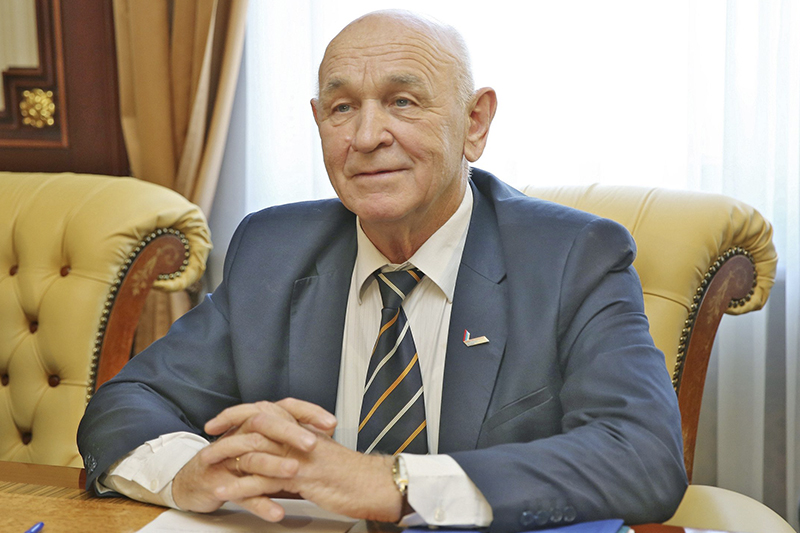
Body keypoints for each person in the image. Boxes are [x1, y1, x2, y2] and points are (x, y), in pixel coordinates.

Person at [78, 10, 687, 532]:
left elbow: (643, 455)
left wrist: (392, 483)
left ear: (475, 123)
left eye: (403, 101)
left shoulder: (572, 255)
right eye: (342, 108)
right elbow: (126, 404)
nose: (367, 137)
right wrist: (189, 473)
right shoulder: (273, 250)